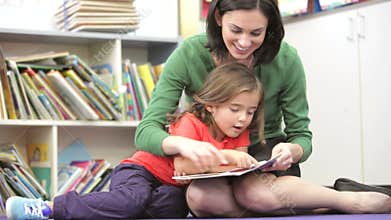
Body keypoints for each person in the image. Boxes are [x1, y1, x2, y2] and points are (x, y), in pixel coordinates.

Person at [134, 0, 391, 217]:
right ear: (219, 17)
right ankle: (310, 206)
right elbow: (146, 131)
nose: (244, 43)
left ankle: (345, 201)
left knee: (253, 193)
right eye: (236, 30)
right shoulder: (190, 53)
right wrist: (183, 144)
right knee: (201, 199)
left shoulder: (286, 59)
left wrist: (293, 150)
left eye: (256, 33)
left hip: (263, 154)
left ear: (270, 28)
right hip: (212, 156)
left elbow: (302, 135)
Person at [4, 62, 264, 220]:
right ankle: (48, 208)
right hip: (140, 171)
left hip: (169, 188)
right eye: (235, 109)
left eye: (250, 112)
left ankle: (108, 211)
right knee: (132, 200)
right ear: (210, 105)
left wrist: (247, 165)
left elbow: (235, 169)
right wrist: (230, 158)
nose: (243, 118)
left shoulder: (239, 131)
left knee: (170, 207)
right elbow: (184, 167)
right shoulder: (190, 123)